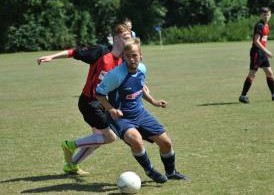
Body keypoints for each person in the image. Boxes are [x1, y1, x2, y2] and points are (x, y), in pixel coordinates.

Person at [37, 24, 132, 175]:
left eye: (130, 37)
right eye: (126, 37)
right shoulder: (100, 52)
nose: (129, 40)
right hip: (89, 102)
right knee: (109, 137)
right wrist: (51, 56)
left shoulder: (124, 60)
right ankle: (70, 145)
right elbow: (74, 52)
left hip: (103, 103)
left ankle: (71, 166)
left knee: (97, 140)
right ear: (115, 39)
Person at [96, 38, 187, 183]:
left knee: (166, 143)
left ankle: (171, 172)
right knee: (136, 139)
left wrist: (154, 101)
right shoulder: (115, 75)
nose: (131, 59)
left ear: (141, 56)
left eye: (134, 55)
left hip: (140, 113)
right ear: (123, 57)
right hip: (121, 118)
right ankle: (150, 170)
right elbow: (99, 94)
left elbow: (140, 87)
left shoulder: (142, 69)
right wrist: (111, 109)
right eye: (128, 56)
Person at [239, 7, 274, 103]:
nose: (266, 16)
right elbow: (256, 41)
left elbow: (262, 40)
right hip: (256, 52)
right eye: (264, 14)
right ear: (260, 15)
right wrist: (266, 51)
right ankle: (243, 96)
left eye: (268, 14)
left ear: (270, 15)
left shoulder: (266, 25)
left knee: (269, 73)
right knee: (252, 74)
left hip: (262, 53)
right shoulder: (260, 25)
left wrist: (264, 52)